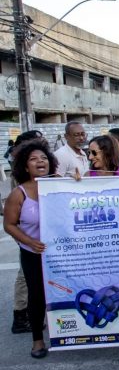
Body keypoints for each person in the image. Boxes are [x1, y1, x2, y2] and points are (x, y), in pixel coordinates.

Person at [3, 140, 58, 358]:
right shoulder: (19, 194)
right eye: (33, 159)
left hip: (60, 253)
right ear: (26, 167)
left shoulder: (59, 185)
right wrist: (29, 241)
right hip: (33, 253)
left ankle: (70, 334)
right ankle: (37, 340)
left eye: (43, 158)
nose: (40, 161)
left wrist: (76, 180)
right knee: (37, 295)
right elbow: (9, 225)